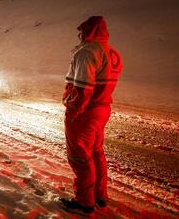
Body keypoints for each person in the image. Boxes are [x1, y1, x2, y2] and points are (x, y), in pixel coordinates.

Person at [60, 16, 123, 214]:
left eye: (82, 32)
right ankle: (100, 196)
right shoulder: (112, 52)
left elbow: (83, 89)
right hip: (103, 108)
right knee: (96, 152)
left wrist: (74, 111)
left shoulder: (87, 52)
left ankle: (84, 202)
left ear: (88, 32)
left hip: (86, 111)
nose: (80, 36)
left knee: (79, 155)